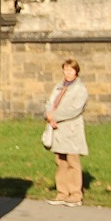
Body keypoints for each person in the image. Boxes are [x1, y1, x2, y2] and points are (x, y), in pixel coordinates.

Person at [44, 58, 89, 207]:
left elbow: (74, 109)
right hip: (58, 129)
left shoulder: (80, 89)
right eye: (65, 69)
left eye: (70, 70)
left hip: (71, 130)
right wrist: (48, 115)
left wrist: (54, 116)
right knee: (60, 161)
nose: (67, 73)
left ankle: (75, 194)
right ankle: (62, 193)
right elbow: (49, 103)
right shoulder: (58, 86)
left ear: (76, 72)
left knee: (72, 161)